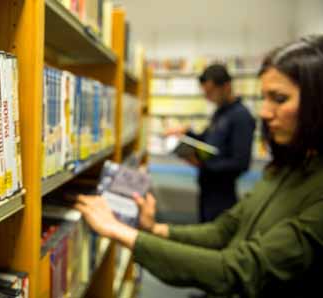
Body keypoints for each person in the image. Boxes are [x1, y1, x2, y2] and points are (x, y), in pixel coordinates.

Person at [75, 36, 323, 297]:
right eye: (264, 97)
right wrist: (154, 228)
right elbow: (223, 231)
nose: (264, 111)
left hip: (221, 190)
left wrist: (121, 232)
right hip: (208, 188)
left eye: (280, 99)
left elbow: (241, 269)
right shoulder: (283, 168)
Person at [166, 64, 256, 222]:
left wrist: (204, 165)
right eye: (205, 92)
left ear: (226, 86)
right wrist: (187, 133)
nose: (207, 97)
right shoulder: (219, 112)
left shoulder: (241, 116)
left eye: (210, 92)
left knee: (215, 237)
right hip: (207, 190)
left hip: (222, 195)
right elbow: (207, 140)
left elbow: (241, 163)